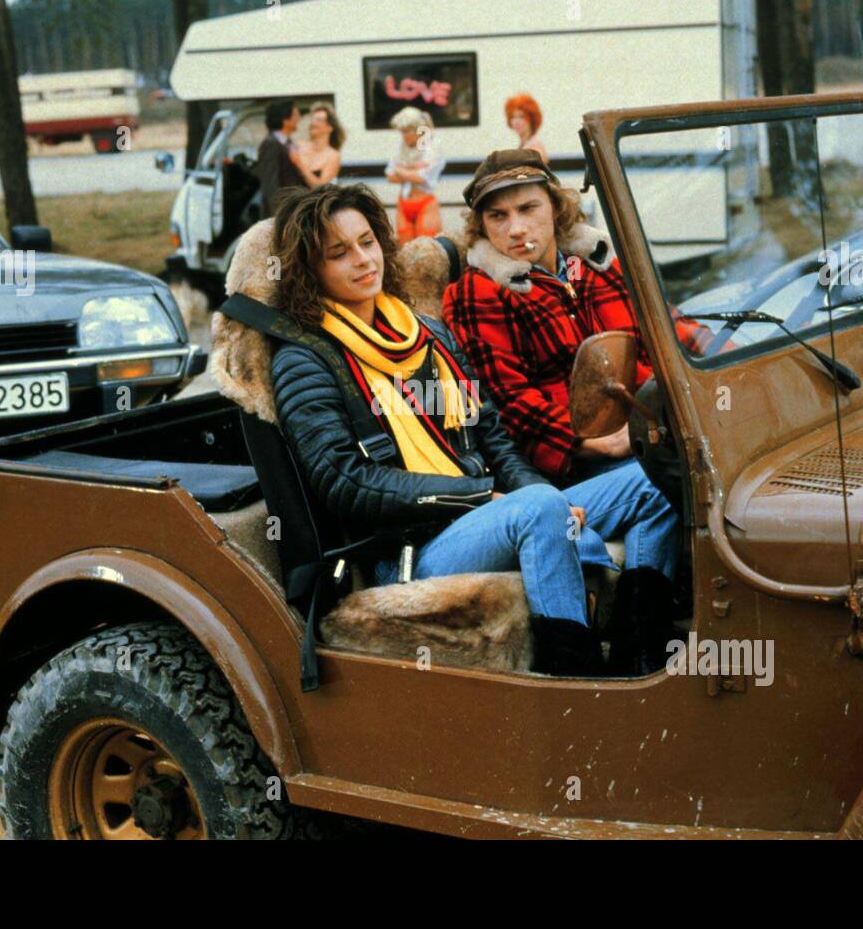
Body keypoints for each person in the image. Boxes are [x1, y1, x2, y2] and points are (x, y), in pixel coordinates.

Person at [267, 183, 667, 675]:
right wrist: (484, 497)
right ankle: (577, 677)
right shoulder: (304, 359)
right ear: (311, 271)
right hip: (410, 549)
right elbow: (346, 482)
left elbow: (494, 440)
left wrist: (533, 494)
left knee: (662, 474)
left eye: (367, 242)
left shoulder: (425, 333)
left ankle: (640, 653)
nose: (362, 259)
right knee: (540, 507)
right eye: (338, 252)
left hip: (486, 513)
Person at [443, 149, 707, 670]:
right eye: (498, 216)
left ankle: (640, 639)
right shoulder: (477, 292)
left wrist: (716, 356)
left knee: (685, 457)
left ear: (556, 208)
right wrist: (584, 440)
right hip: (559, 470)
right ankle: (639, 645)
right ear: (481, 225)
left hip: (642, 433)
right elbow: (505, 402)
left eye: (528, 208)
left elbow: (663, 333)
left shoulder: (599, 266)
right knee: (668, 476)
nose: (516, 228)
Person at [384, 107, 444, 242]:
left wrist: (400, 168)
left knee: (427, 251)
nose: (403, 136)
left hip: (425, 203)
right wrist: (411, 167)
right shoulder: (403, 147)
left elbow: (421, 178)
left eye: (406, 132)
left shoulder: (432, 147)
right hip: (403, 202)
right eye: (402, 132)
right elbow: (389, 175)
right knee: (405, 252)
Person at [257, 98, 307, 217]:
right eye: (295, 114)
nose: (299, 118)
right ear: (285, 120)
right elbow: (270, 185)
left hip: (292, 209)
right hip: (281, 213)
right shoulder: (270, 144)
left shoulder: (287, 142)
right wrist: (277, 216)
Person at [289, 101, 344, 188]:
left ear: (330, 127)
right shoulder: (299, 145)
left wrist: (300, 164)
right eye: (312, 119)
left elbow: (320, 188)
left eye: (319, 120)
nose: (313, 123)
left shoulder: (333, 156)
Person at [505, 93, 548, 165]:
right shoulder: (524, 144)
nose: (516, 122)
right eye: (513, 117)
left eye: (521, 116)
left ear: (531, 119)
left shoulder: (535, 147)